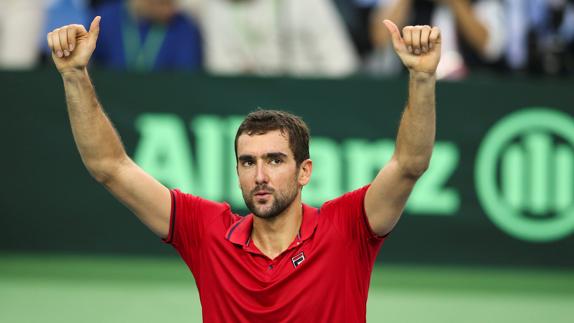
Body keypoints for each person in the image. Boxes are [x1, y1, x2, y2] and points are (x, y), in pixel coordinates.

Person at [47, 16, 440, 322]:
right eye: (248, 162)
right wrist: (74, 76)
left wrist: (421, 77)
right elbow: (109, 166)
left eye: (275, 160)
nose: (260, 175)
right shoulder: (206, 231)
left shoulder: (348, 227)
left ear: (305, 171)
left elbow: (410, 164)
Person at [91, 0, 202, 71]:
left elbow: (186, 78)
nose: (171, 11)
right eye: (163, 3)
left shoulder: (184, 28)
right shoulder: (105, 20)